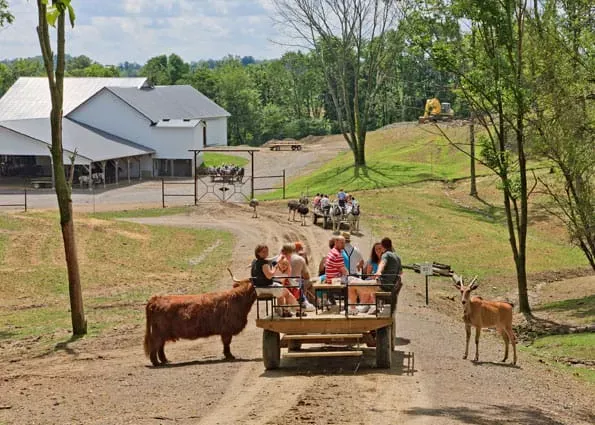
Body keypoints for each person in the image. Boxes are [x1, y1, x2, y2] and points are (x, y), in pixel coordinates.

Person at [251, 244, 301, 317]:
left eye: (266, 251)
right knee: (287, 293)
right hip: (267, 287)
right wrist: (275, 267)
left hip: (257, 288)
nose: (266, 253)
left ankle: (284, 311)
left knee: (280, 294)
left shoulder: (254, 262)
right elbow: (269, 276)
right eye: (263, 252)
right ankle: (298, 310)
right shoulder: (264, 263)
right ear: (258, 253)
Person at [280, 243, 315, 312]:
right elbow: (306, 274)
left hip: (282, 284)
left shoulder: (280, 259)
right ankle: (306, 302)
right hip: (294, 284)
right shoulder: (300, 259)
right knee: (307, 282)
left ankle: (301, 301)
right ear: (296, 249)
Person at [374, 237, 403, 313]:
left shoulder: (385, 255)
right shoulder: (397, 257)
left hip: (383, 284)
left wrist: (378, 272)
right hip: (392, 286)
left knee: (364, 287)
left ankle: (371, 309)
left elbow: (382, 263)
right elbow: (400, 272)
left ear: (382, 246)